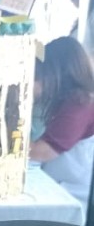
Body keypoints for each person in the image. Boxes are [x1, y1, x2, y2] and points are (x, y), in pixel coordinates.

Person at [29, 36, 94, 211]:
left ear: (57, 72)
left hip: (73, 194)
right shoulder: (72, 101)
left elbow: (40, 152)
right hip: (62, 187)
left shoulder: (80, 104)